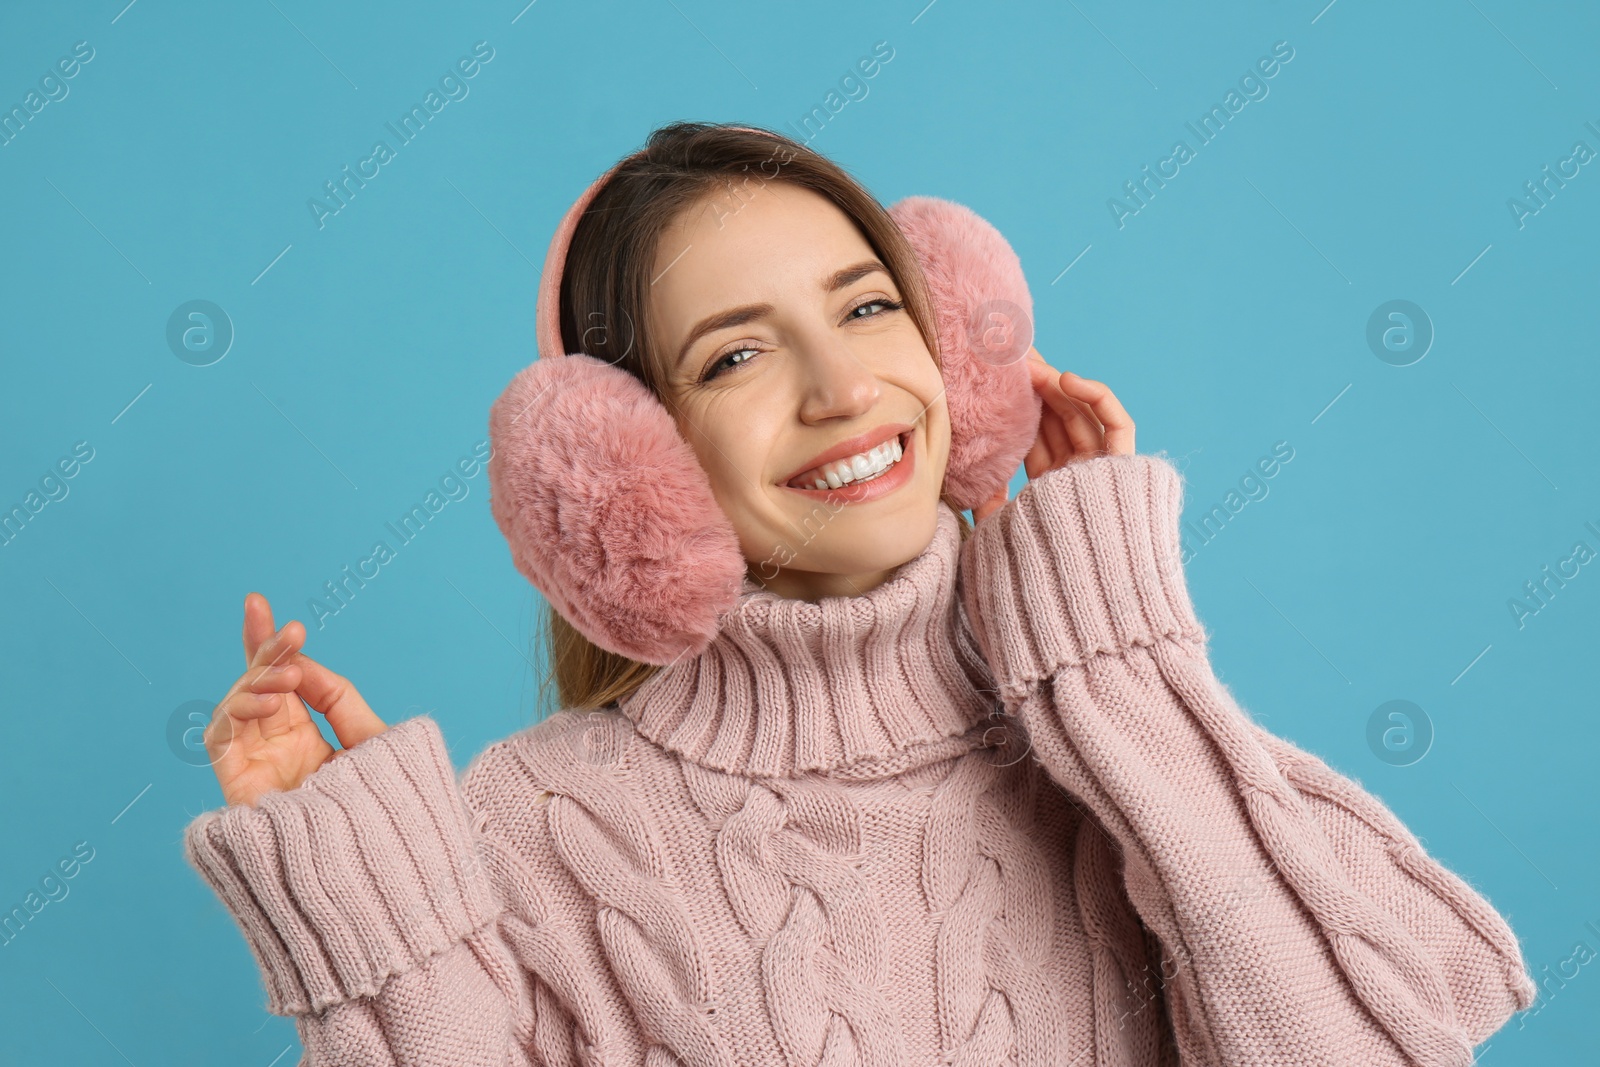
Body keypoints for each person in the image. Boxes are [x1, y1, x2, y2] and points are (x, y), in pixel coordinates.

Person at [184, 121, 1536, 1066]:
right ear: (624, 468)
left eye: (871, 309)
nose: (841, 392)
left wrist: (1116, 660)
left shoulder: (1125, 744)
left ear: (958, 347)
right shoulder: (535, 832)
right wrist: (381, 915)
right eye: (732, 360)